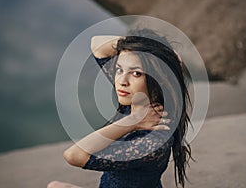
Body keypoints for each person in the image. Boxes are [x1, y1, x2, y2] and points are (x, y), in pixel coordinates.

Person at [48, 29, 191, 188]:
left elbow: (74, 155)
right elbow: (97, 45)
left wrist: (133, 121)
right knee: (55, 186)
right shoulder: (136, 98)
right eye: (119, 69)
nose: (122, 81)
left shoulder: (154, 140)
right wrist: (148, 46)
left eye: (136, 73)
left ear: (159, 80)